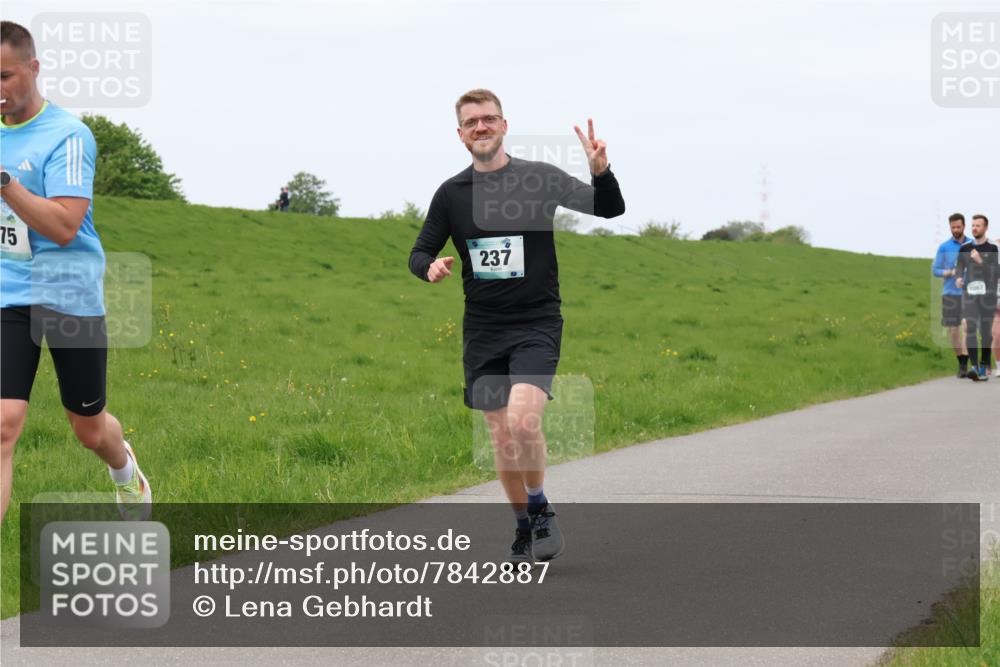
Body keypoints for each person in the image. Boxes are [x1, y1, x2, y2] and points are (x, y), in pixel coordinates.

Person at [408, 89, 625, 563]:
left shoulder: (538, 178)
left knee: (522, 420)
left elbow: (609, 209)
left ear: (504, 125)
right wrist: (429, 267)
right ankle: (525, 525)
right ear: (460, 134)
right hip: (483, 329)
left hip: (536, 322)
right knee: (501, 438)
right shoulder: (451, 194)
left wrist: (600, 171)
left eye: (489, 119)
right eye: (472, 122)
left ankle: (541, 508)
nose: (481, 128)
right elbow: (419, 250)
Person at [0, 21, 151, 522]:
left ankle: (124, 469)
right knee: (4, 423)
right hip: (8, 294)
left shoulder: (67, 135)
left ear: (33, 69)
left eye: (4, 76)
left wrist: (4, 184)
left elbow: (64, 226)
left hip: (68, 293)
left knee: (88, 428)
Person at [955, 214, 998, 382]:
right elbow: (959, 267)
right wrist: (958, 278)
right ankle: (973, 367)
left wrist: (980, 261)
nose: (974, 228)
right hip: (970, 294)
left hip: (987, 295)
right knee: (970, 327)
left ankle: (983, 364)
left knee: (986, 332)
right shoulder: (964, 248)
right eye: (972, 225)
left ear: (985, 228)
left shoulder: (992, 249)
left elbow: (995, 273)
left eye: (978, 225)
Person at [932, 213, 970, 377]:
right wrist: (948, 272)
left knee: (967, 327)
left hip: (969, 294)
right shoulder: (944, 247)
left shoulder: (972, 244)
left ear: (964, 226)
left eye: (958, 227)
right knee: (953, 331)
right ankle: (961, 362)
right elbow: (935, 270)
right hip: (949, 294)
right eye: (953, 227)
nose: (955, 230)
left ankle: (967, 364)